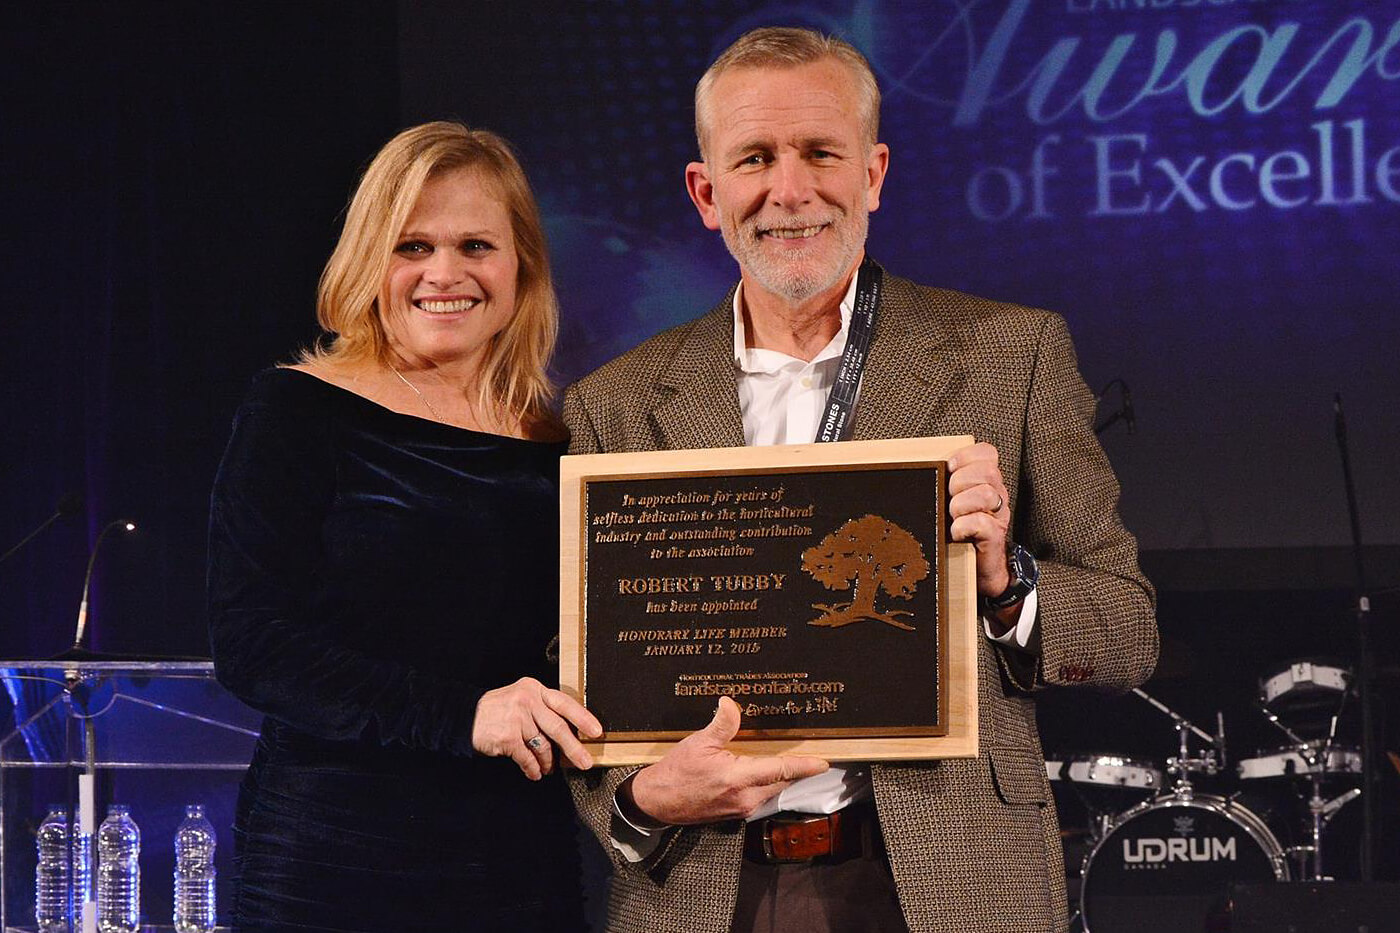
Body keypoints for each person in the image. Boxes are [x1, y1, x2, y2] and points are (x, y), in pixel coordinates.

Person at [564, 27, 1158, 933]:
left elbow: (1127, 629)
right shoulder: (616, 403)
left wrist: (1006, 580)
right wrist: (640, 795)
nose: (789, 189)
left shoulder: (1010, 353)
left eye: (820, 153)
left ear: (873, 175)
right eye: (754, 157)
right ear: (705, 191)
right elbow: (581, 672)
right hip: (706, 889)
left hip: (945, 878)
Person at [207, 121, 601, 931]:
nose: (444, 274)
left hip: (518, 859)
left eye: (475, 245)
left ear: (521, 262)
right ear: (368, 260)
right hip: (333, 857)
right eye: (412, 246)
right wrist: (462, 715)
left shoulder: (565, 442)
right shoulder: (296, 410)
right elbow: (253, 643)